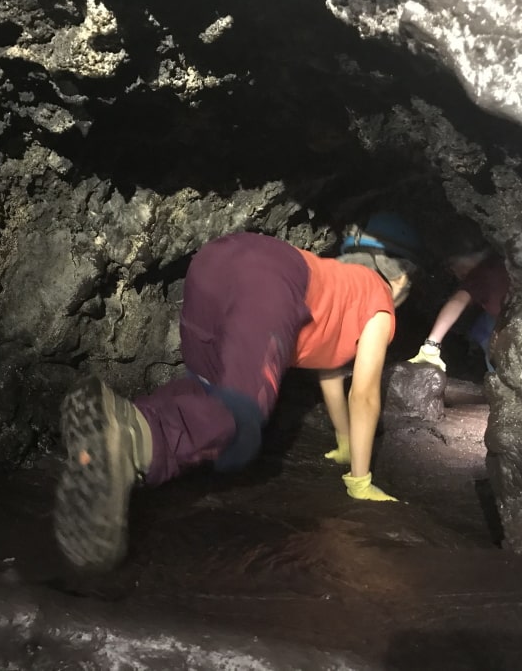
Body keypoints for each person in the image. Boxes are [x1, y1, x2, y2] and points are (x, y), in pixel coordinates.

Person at [55, 216, 420, 571]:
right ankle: (132, 440)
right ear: (401, 276)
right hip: (267, 277)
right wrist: (360, 481)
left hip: (215, 261)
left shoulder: (339, 282)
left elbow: (330, 374)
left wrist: (344, 440)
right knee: (240, 424)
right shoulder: (379, 302)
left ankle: (114, 437)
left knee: (207, 394)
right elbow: (365, 394)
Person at [408, 245, 509, 373]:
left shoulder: (481, 273)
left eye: (453, 263)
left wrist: (431, 345)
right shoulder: (500, 263)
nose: (453, 270)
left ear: (473, 254)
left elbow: (457, 301)